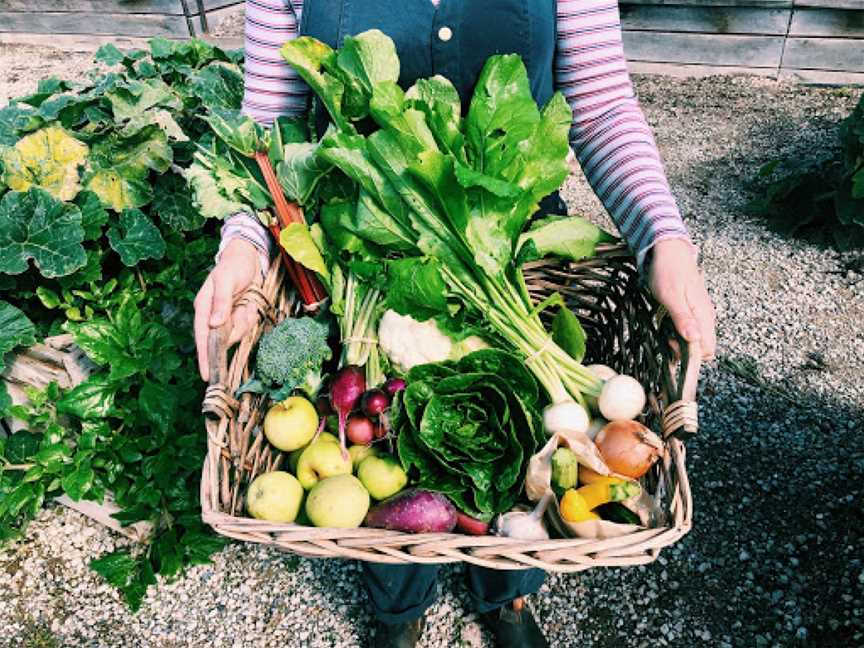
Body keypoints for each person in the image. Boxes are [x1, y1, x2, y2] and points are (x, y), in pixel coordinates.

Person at [194, 1, 717, 646]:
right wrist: (244, 243)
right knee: (380, 448)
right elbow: (272, 119)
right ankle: (397, 604)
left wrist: (663, 238)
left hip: (506, 255)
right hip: (367, 252)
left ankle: (508, 595)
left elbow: (603, 107)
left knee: (515, 440)